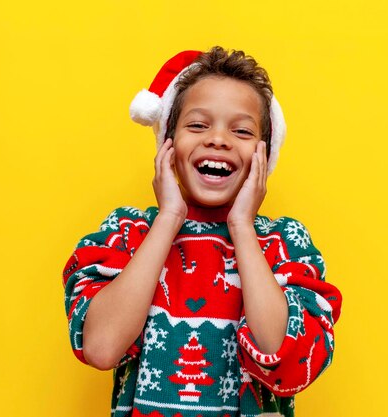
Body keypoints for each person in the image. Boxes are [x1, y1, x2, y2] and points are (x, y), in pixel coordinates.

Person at [62, 46, 342, 417]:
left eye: (241, 130)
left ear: (264, 154)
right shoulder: (127, 233)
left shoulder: (285, 244)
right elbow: (100, 347)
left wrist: (242, 226)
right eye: (197, 125)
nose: (218, 139)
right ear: (168, 143)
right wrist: (168, 217)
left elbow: (283, 358)